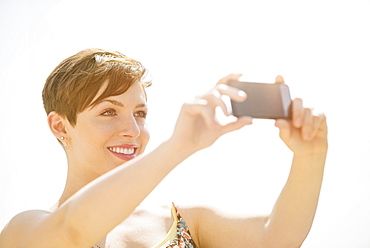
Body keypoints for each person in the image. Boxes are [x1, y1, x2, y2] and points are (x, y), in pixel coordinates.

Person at [0, 48, 328, 248]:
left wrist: (310, 156)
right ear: (60, 126)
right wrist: (177, 147)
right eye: (108, 111)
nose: (132, 130)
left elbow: (278, 239)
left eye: (140, 113)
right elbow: (71, 233)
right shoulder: (24, 230)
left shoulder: (181, 221)